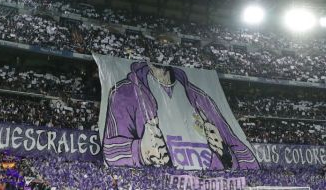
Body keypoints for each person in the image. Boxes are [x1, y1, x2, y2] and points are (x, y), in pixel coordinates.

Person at [102, 61, 259, 170]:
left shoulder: (200, 98)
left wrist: (226, 155)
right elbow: (109, 150)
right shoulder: (124, 92)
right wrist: (141, 150)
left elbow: (250, 162)